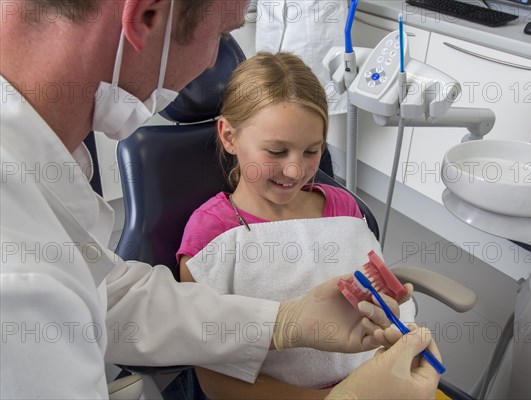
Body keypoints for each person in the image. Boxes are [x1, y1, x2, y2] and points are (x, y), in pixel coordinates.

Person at [0, 0, 441, 398]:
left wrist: (285, 321)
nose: (216, 61)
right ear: (147, 16)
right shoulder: (21, 281)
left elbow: (110, 298)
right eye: (221, 33)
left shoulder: (35, 178)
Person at [177, 51, 417, 399]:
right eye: (276, 152)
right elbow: (217, 381)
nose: (294, 171)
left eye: (311, 151)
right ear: (229, 136)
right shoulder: (212, 236)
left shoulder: (344, 208)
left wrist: (391, 322)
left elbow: (374, 305)